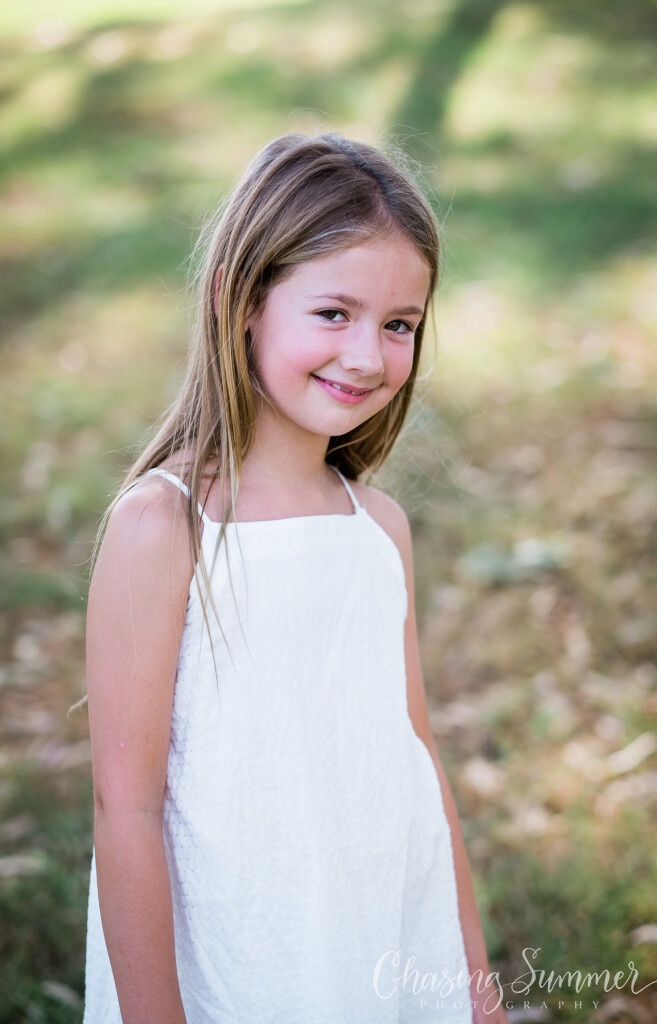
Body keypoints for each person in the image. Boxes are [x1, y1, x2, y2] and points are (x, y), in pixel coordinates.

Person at [78, 131, 509, 1024]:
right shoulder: (166, 528)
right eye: (333, 313)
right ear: (241, 300)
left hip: (373, 941)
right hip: (240, 960)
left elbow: (415, 763)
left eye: (398, 325)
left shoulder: (377, 529)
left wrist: (474, 986)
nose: (367, 357)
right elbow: (126, 811)